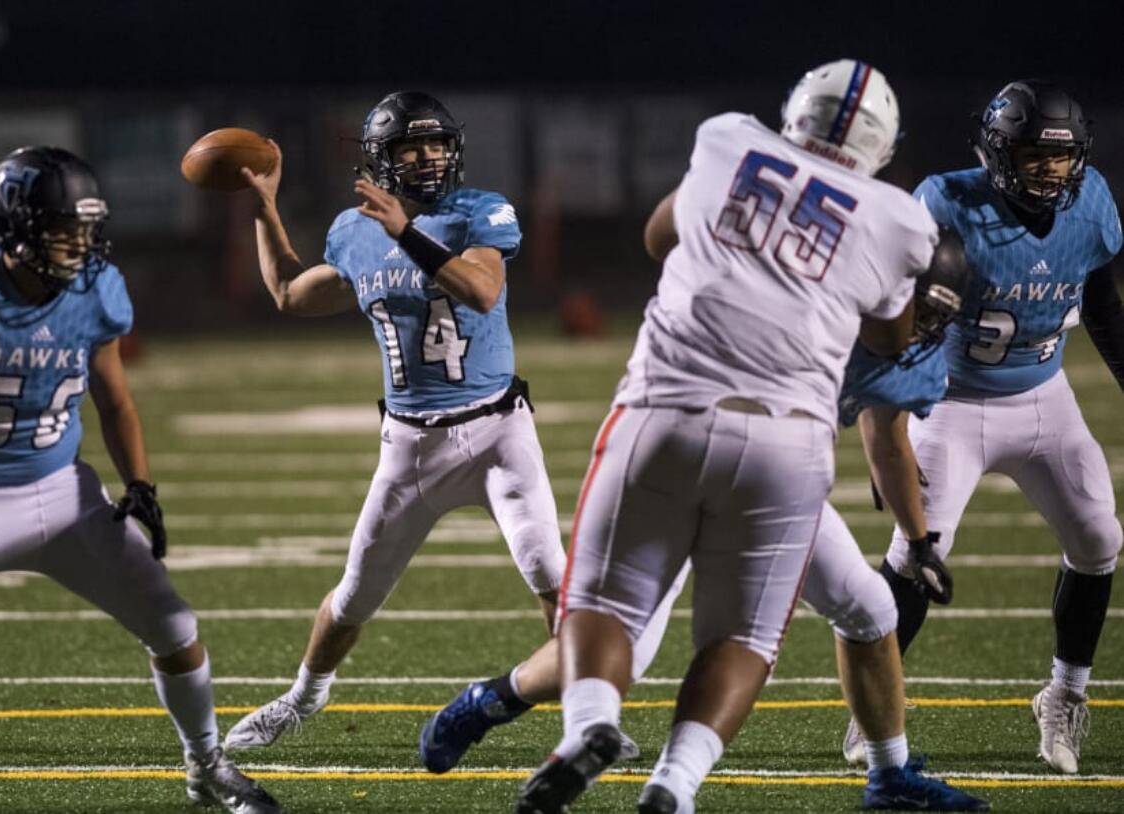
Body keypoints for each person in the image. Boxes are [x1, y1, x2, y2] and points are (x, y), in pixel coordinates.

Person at [509, 59, 965, 814]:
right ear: (882, 145)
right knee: (742, 637)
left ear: (796, 111)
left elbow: (661, 239)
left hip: (667, 409)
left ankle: (588, 728)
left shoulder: (727, 142)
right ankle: (675, 785)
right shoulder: (901, 220)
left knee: (606, 605)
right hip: (788, 443)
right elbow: (890, 339)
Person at [421, 229, 987, 812]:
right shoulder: (811, 302)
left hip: (756, 474)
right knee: (670, 645)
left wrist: (918, 542)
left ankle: (888, 775)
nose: (914, 330)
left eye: (931, 316)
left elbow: (887, 435)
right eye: (912, 309)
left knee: (869, 608)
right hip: (714, 460)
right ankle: (650, 770)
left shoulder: (866, 327)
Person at [0, 146, 280, 814]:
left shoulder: (96, 289)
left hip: (60, 498)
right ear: (13, 229)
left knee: (176, 627)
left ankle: (207, 767)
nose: (79, 243)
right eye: (62, 228)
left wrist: (141, 487)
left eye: (85, 227)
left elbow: (115, 398)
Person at [223, 91, 566, 751]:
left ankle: (588, 717)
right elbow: (290, 295)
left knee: (553, 576)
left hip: (499, 433)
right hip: (410, 445)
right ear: (383, 159)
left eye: (438, 144)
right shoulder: (354, 232)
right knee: (353, 597)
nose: (430, 157)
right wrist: (264, 209)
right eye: (413, 147)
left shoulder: (479, 211)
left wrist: (404, 231)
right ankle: (302, 698)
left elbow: (484, 289)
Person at [868, 79, 1123, 775]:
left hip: (1045, 395)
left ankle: (1064, 696)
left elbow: (1101, 301)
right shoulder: (946, 204)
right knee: (918, 550)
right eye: (1037, 156)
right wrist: (885, 425)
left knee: (1100, 536)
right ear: (1000, 153)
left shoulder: (1091, 203)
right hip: (952, 401)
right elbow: (893, 319)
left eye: (1063, 158)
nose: (1052, 170)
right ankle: (876, 712)